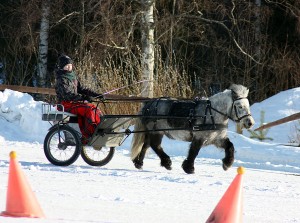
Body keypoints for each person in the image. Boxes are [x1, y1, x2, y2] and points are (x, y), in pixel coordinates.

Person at [55, 54, 103, 144]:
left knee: (94, 108)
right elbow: (67, 94)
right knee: (88, 109)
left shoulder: (73, 77)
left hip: (74, 102)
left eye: (70, 66)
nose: (69, 68)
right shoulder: (61, 79)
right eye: (66, 66)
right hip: (65, 104)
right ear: (62, 67)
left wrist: (96, 94)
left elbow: (82, 89)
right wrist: (83, 98)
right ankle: (89, 133)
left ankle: (98, 128)